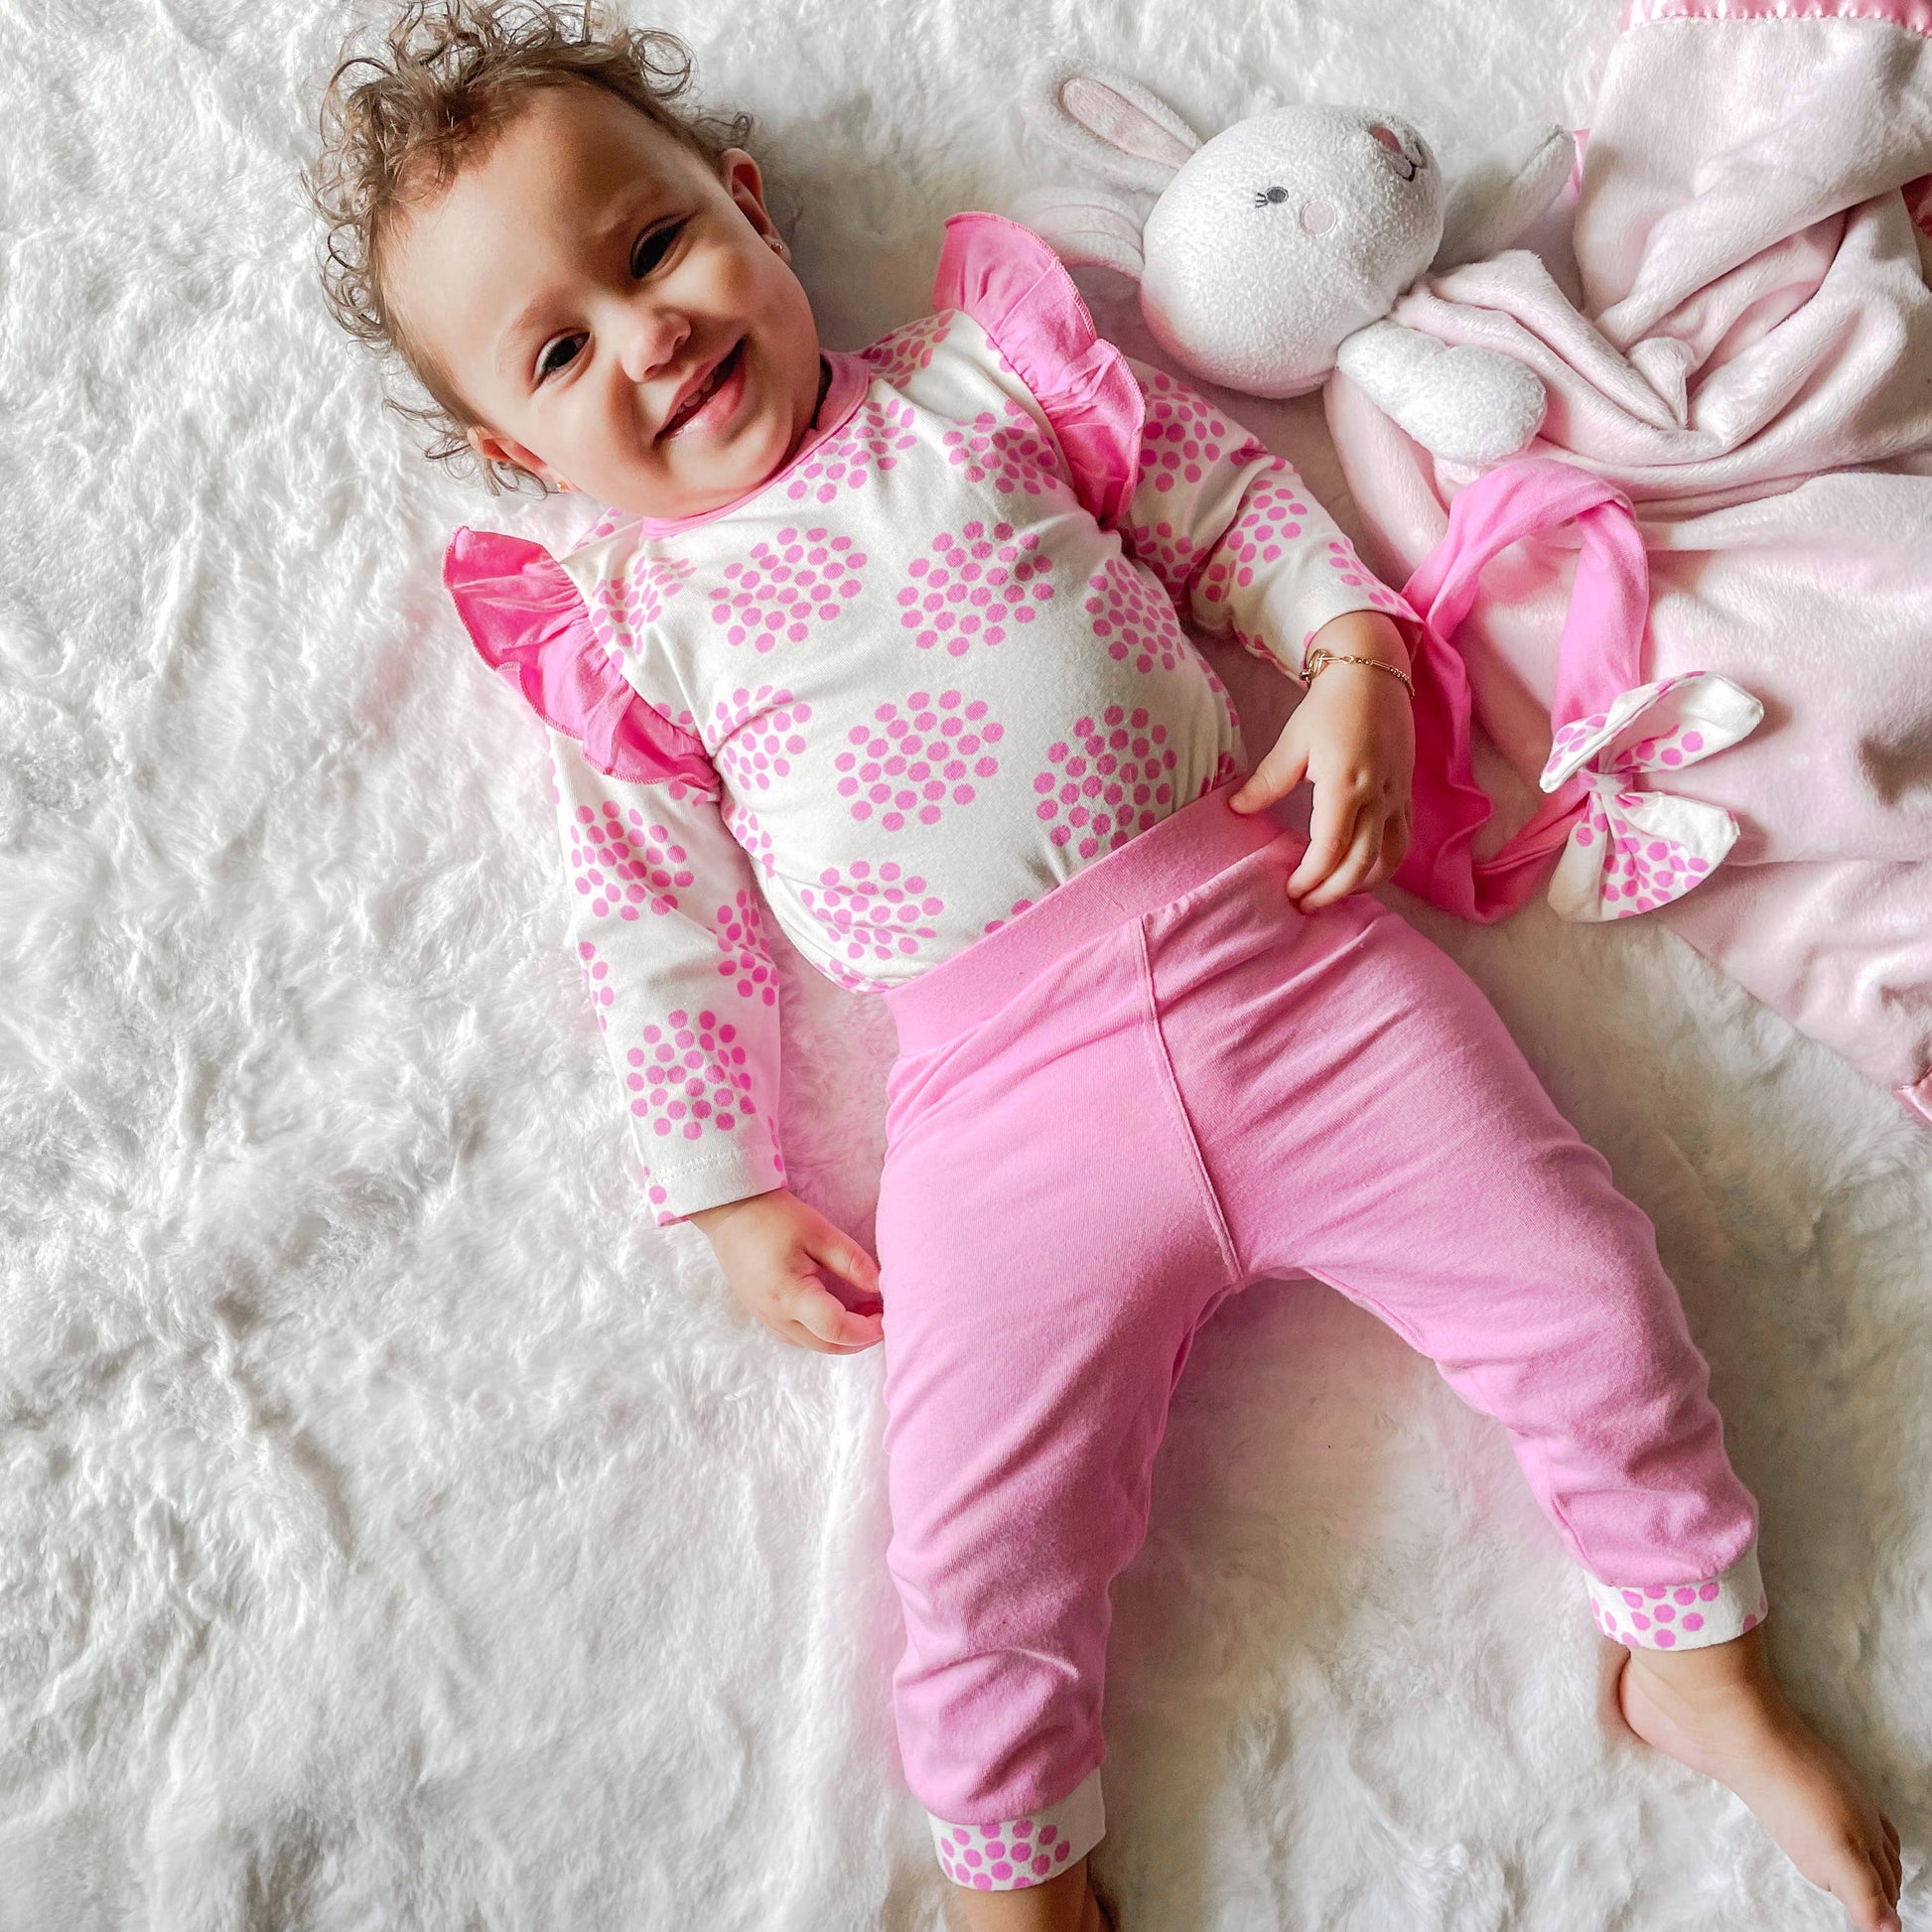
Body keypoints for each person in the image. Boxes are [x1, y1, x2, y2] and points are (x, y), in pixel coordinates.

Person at [306, 7, 1904, 1927]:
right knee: (972, 1545)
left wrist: (1355, 659)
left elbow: (1234, 513)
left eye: (649, 250)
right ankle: (1018, 1868)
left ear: (743, 204)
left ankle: (1689, 1647)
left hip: (1291, 966)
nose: (645, 336)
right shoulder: (634, 633)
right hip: (993, 1113)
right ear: (514, 444)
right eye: (560, 348)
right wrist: (725, 1192)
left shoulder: (985, 385)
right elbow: (655, 921)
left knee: (1578, 1273)